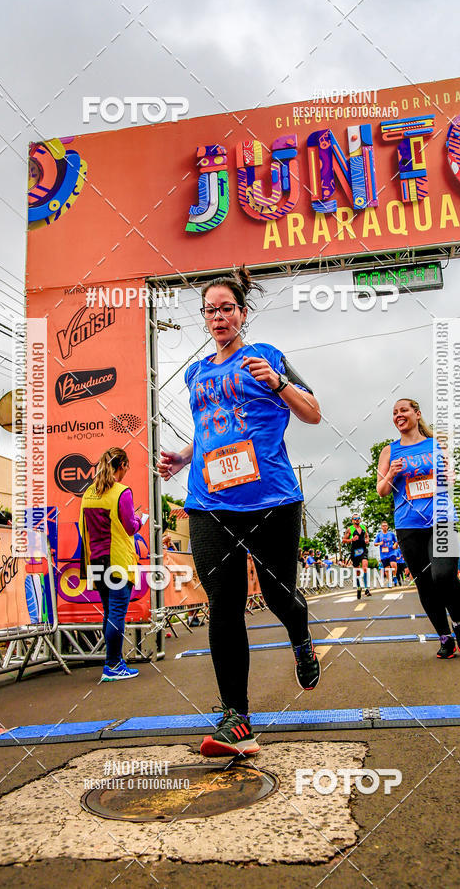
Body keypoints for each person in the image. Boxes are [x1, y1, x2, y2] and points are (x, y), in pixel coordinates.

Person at [158, 266, 322, 758]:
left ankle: (300, 636)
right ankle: (237, 719)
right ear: (205, 318)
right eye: (211, 309)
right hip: (208, 500)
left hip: (271, 497)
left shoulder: (267, 357)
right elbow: (215, 430)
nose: (219, 315)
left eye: (227, 307)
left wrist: (277, 384)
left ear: (242, 314)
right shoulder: (196, 373)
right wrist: (186, 456)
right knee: (223, 603)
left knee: (277, 595)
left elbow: (313, 411)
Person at [376, 398, 460, 659]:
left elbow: (450, 476)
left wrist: (449, 476)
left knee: (443, 575)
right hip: (408, 525)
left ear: (417, 414)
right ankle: (444, 637)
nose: (399, 415)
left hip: (442, 518)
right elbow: (381, 490)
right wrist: (391, 475)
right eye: (394, 412)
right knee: (425, 584)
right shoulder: (389, 451)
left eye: (403, 410)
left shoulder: (435, 444)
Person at [78, 447, 141, 681]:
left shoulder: (88, 494)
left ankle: (113, 661)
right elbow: (130, 526)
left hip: (96, 560)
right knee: (116, 614)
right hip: (117, 560)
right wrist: (139, 520)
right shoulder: (122, 492)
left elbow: (82, 526)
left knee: (108, 613)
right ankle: (113, 664)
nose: (127, 471)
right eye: (127, 466)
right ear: (121, 465)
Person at [342, 514, 370, 598]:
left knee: (365, 567)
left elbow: (367, 536)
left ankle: (366, 588)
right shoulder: (349, 529)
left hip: (363, 550)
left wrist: (367, 540)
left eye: (358, 518)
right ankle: (358, 587)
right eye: (355, 519)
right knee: (357, 571)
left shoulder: (364, 527)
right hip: (355, 551)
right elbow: (343, 540)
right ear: (352, 520)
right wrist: (351, 539)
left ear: (360, 520)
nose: (357, 520)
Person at [374, 520, 398, 587]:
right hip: (383, 554)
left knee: (393, 564)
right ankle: (389, 581)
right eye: (383, 526)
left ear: (387, 527)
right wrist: (379, 543)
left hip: (391, 552)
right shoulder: (379, 535)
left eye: (386, 526)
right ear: (381, 527)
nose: (384, 527)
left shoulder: (391, 534)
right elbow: (375, 544)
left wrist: (395, 545)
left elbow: (396, 541)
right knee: (387, 569)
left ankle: (394, 576)